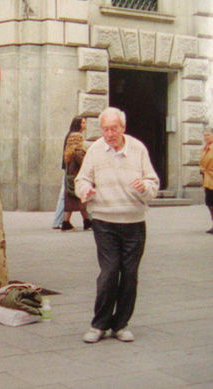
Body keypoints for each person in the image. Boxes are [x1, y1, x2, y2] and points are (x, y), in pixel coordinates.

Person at [75, 107, 159, 343]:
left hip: (134, 221)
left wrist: (145, 186)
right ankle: (99, 324)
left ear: (123, 128)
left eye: (114, 128)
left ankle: (121, 324)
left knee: (130, 274)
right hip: (104, 220)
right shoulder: (95, 150)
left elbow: (153, 182)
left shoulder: (137, 148)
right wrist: (85, 190)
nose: (109, 134)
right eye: (105, 129)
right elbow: (81, 179)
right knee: (110, 272)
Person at [52, 116, 86, 229]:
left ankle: (87, 220)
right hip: (71, 172)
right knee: (66, 196)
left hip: (68, 171)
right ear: (79, 124)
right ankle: (59, 221)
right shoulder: (74, 136)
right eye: (83, 123)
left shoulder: (71, 134)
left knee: (68, 195)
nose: (85, 125)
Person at [62, 132, 91, 231]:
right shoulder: (78, 152)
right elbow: (85, 164)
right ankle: (67, 223)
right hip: (77, 180)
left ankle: (86, 222)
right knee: (80, 201)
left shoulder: (68, 152)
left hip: (70, 181)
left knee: (73, 203)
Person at [199, 126, 213, 234]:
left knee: (211, 202)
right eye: (204, 135)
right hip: (207, 178)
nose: (206, 137)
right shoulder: (205, 148)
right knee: (209, 202)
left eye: (208, 135)